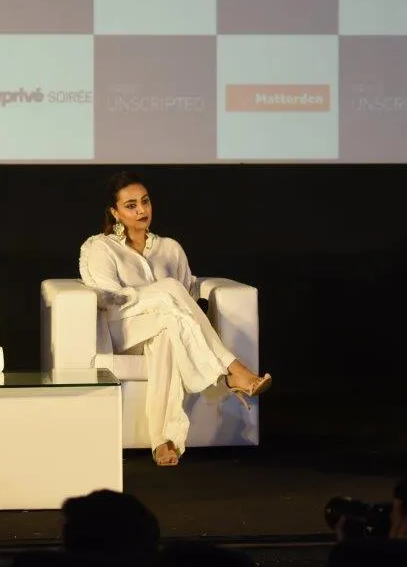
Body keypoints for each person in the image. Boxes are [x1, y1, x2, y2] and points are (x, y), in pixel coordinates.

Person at [78, 172, 271, 466]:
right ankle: (232, 370)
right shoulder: (100, 247)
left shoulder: (170, 248)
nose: (142, 210)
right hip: (124, 328)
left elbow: (186, 301)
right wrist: (157, 295)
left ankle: (164, 441)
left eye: (145, 201)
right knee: (170, 291)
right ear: (114, 212)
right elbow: (107, 297)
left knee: (169, 328)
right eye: (131, 205)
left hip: (168, 323)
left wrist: (167, 302)